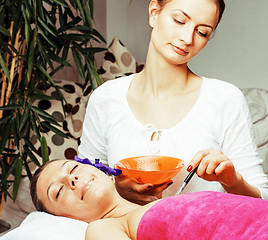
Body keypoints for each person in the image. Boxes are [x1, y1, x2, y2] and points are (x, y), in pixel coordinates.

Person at [78, 0, 268, 204]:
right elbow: (81, 184)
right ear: (154, 12)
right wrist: (119, 189)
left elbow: (262, 199)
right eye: (179, 20)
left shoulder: (225, 99)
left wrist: (232, 181)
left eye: (202, 32)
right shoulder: (105, 99)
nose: (187, 38)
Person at [30, 159, 268, 240]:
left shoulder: (156, 204)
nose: (72, 180)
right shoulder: (103, 227)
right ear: (62, 218)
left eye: (73, 168)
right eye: (58, 192)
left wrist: (232, 180)